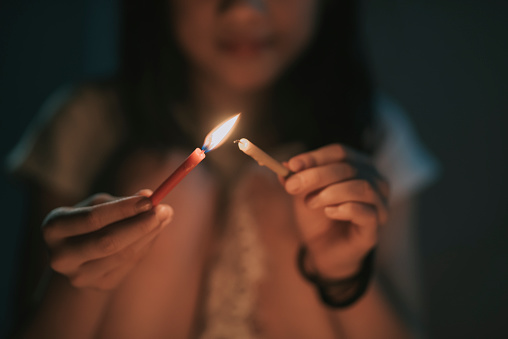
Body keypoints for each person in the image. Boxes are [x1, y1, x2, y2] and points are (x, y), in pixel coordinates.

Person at [7, 0, 438, 338]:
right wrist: (79, 281)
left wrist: (341, 274)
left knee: (283, 201)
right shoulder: (87, 122)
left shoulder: (372, 137)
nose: (244, 7)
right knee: (155, 179)